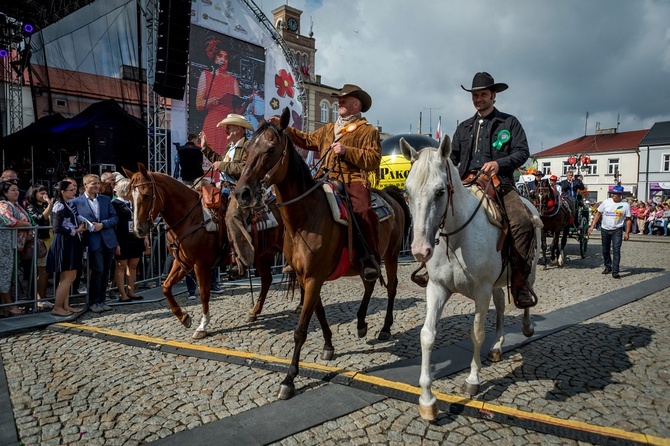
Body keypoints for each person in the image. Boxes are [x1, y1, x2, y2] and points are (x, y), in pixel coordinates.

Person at [274, 84, 382, 282]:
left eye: (344, 99)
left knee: (364, 211)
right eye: (339, 99)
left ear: (356, 104)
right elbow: (306, 140)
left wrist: (347, 151)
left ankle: (368, 258)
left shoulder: (368, 131)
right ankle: (293, 254)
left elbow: (373, 159)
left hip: (353, 179)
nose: (339, 102)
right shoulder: (329, 129)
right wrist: (285, 129)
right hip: (325, 178)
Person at [450, 72, 536, 308]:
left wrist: (500, 163)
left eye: (483, 95)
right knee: (438, 212)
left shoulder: (509, 123)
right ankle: (432, 269)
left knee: (522, 222)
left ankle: (520, 283)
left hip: (499, 183)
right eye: (475, 95)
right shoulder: (464, 127)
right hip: (466, 182)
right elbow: (452, 156)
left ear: (493, 95)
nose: (478, 99)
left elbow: (522, 152)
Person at [200, 113, 254, 278]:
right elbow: (220, 161)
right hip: (223, 188)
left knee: (231, 216)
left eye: (229, 127)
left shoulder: (247, 146)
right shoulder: (231, 147)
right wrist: (204, 148)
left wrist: (222, 165)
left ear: (239, 128)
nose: (226, 130)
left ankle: (240, 260)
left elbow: (245, 169)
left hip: (238, 190)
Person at [71, 174, 119, 313]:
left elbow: (114, 217)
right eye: (93, 183)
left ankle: (102, 300)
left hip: (108, 239)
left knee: (106, 271)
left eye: (98, 183)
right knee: (97, 270)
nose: (97, 186)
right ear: (85, 185)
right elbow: (73, 220)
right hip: (92, 240)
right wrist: (84, 227)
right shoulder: (77, 202)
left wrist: (102, 224)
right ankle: (93, 300)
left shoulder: (105, 200)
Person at [46, 181, 88, 316]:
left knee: (69, 276)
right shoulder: (59, 205)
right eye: (70, 190)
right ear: (63, 192)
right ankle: (57, 307)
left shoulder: (67, 205)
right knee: (67, 276)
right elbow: (56, 228)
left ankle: (65, 305)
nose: (73, 192)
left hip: (71, 241)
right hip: (65, 242)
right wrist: (75, 230)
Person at [196, 38, 243, 154]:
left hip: (229, 127)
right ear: (214, 56)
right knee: (210, 156)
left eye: (226, 58)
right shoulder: (206, 75)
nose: (223, 60)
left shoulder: (233, 81)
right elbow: (198, 104)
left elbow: (238, 111)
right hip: (212, 123)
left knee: (226, 158)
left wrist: (246, 103)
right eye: (220, 56)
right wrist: (216, 101)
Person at [0, 180, 34, 316]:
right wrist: (27, 226)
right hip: (5, 245)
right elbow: (10, 221)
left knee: (9, 274)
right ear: (4, 192)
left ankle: (7, 304)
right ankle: (7, 304)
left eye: (17, 189)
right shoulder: (3, 205)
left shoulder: (16, 205)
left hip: (14, 245)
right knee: (5, 274)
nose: (16, 192)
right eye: (13, 190)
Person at [112, 179, 149, 302]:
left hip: (135, 237)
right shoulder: (115, 204)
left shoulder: (134, 203)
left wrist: (145, 236)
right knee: (121, 265)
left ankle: (131, 290)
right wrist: (115, 243)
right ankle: (122, 294)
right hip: (122, 238)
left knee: (133, 265)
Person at [588, 185, 631, 279]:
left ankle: (615, 271)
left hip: (617, 230)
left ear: (620, 194)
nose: (613, 195)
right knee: (605, 250)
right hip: (605, 229)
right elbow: (598, 213)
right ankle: (608, 266)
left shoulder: (625, 205)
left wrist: (627, 232)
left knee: (616, 250)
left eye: (615, 193)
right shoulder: (606, 202)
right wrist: (592, 226)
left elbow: (628, 220)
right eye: (612, 193)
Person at [25, 184, 55, 308]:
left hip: (51, 239)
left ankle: (43, 297)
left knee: (46, 271)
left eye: (45, 192)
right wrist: (49, 205)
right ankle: (39, 299)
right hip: (41, 242)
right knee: (41, 270)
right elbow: (40, 219)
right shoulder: (31, 207)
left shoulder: (44, 206)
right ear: (34, 194)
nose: (44, 195)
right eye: (40, 192)